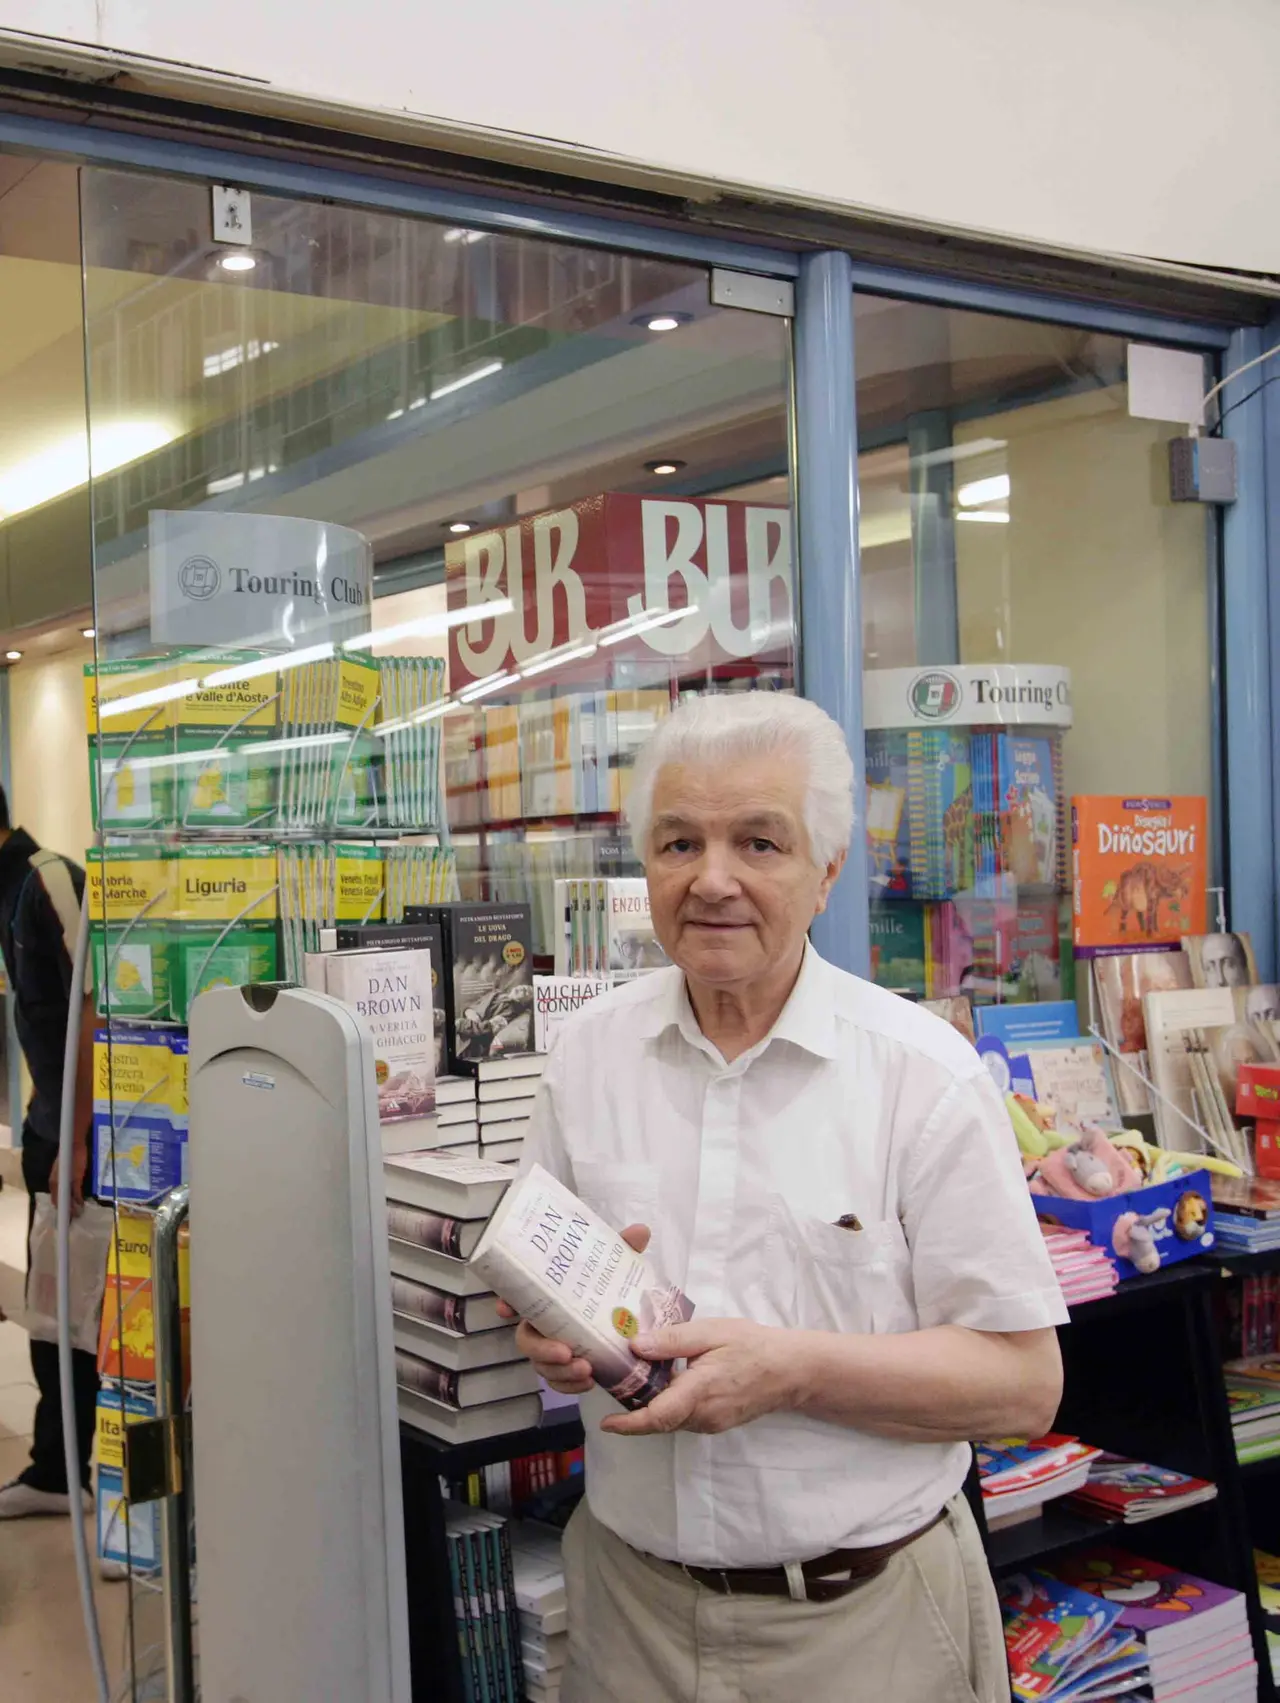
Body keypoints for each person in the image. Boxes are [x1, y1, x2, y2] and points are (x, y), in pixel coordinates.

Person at [511, 692, 1066, 1703]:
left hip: (865, 1628)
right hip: (626, 1613)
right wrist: (552, 1334)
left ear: (825, 873)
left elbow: (1022, 1386)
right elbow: (548, 1291)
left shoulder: (922, 1075)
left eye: (757, 841)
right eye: (679, 840)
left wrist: (793, 1370)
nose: (711, 878)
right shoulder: (587, 1053)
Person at [0, 790, 98, 1520]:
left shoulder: (49, 877)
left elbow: (94, 1008)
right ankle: (55, 1469)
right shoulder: (12, 890)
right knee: (48, 1314)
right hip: (48, 1131)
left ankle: (70, 1468)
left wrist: (78, 1138)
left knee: (76, 1315)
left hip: (78, 1142)